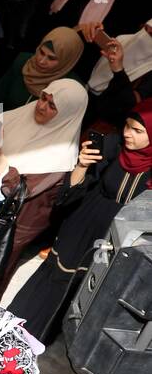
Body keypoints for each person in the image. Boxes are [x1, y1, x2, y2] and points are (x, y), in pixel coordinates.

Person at [9, 100, 152, 341]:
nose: (128, 134)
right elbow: (71, 194)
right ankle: (14, 330)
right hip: (84, 226)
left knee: (85, 292)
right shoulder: (112, 146)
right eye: (127, 126)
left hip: (119, 239)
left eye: (138, 131)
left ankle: (40, 342)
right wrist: (81, 165)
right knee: (55, 281)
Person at [0, 79, 88, 306]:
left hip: (8, 228)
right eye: (44, 97)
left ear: (67, 115)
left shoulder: (60, 155)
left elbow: (17, 190)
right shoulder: (19, 117)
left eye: (53, 106)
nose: (42, 106)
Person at [0, 27, 84, 112]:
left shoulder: (70, 87)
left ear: (66, 61)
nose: (41, 61)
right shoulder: (23, 61)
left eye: (51, 58)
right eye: (41, 52)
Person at [88, 18, 152, 126]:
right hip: (85, 95)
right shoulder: (122, 40)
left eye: (151, 35)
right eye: (145, 28)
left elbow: (129, 104)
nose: (143, 36)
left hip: (102, 119)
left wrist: (118, 69)